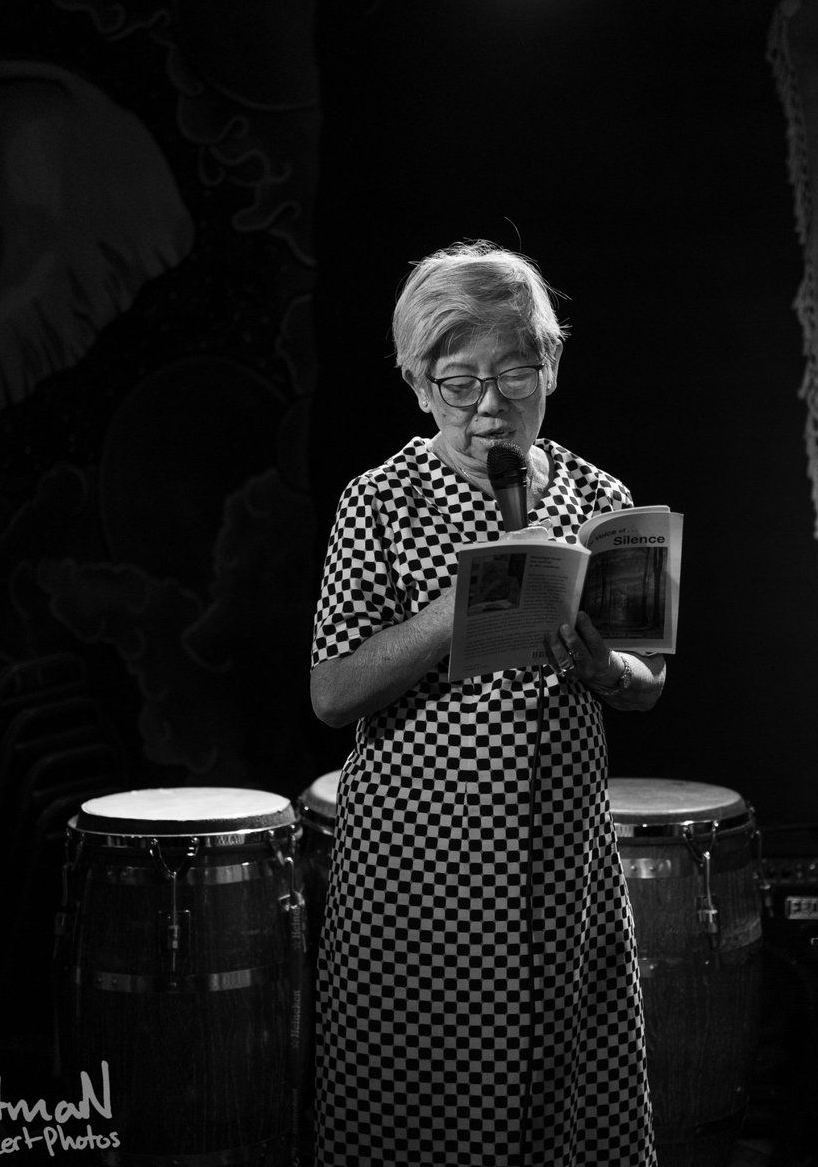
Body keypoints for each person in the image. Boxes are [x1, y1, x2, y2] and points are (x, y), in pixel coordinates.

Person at [309, 240, 666, 1167]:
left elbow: (645, 681)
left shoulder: (600, 498)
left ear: (550, 365)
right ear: (419, 386)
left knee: (564, 1110)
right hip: (418, 868)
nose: (490, 406)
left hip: (559, 862)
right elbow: (332, 691)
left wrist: (602, 664)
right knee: (414, 1111)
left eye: (514, 373)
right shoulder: (379, 501)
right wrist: (449, 614)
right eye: (458, 382)